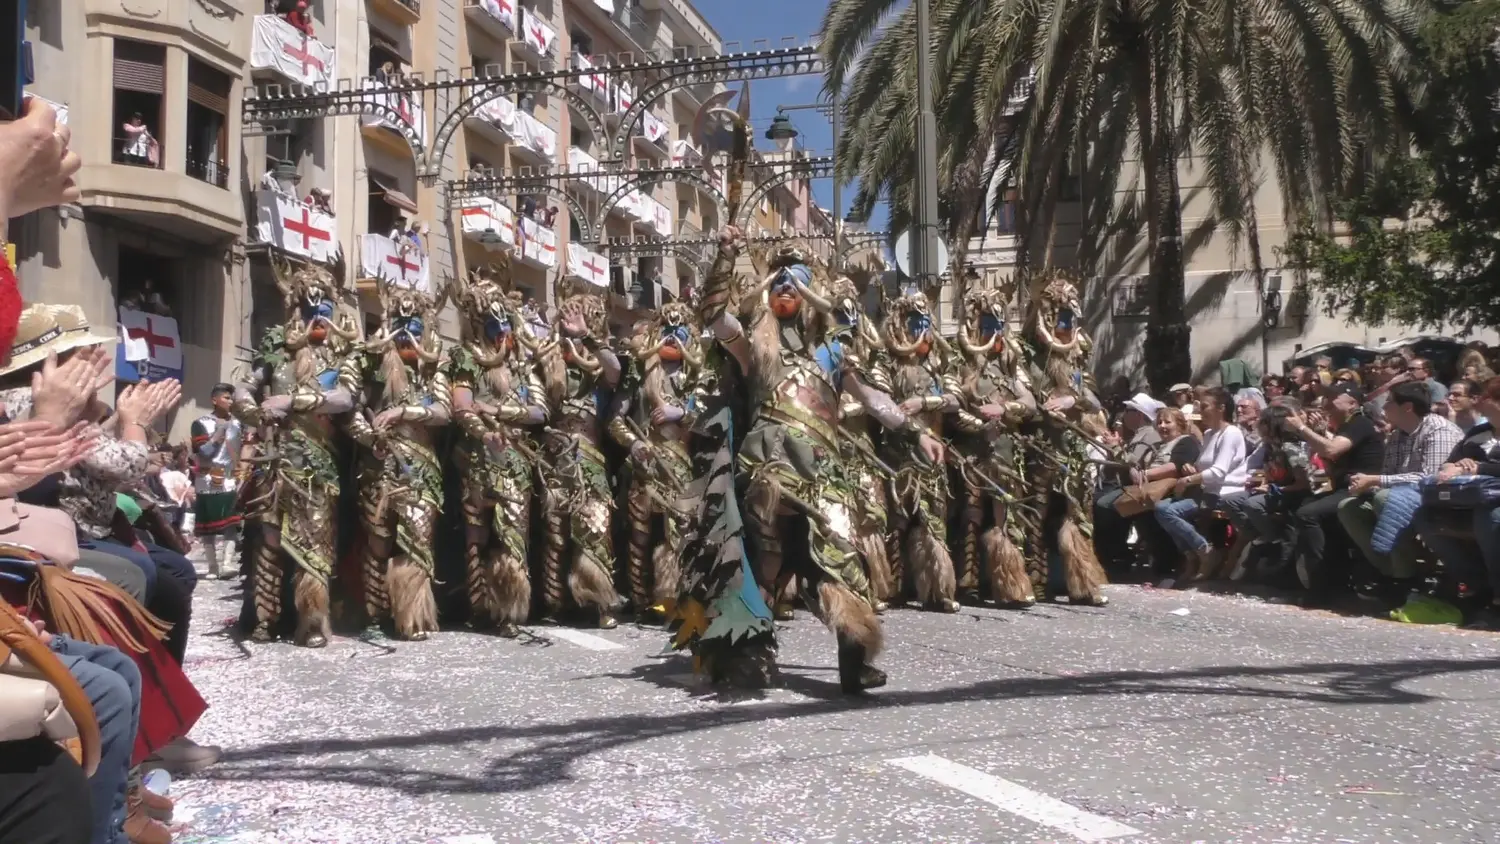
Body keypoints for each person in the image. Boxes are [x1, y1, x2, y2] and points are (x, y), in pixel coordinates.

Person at [348, 281, 453, 641]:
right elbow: (350, 409)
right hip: (377, 467)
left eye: (415, 326)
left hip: (421, 470)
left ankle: (412, 616)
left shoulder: (434, 368)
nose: (408, 334)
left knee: (417, 541)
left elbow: (443, 410)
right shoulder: (369, 361)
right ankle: (374, 615)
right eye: (401, 324)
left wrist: (402, 412)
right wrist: (368, 436)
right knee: (377, 543)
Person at [448, 268, 549, 637]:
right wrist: (484, 432)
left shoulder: (520, 364)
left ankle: (509, 609)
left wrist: (497, 412)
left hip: (516, 462)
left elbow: (540, 410)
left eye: (504, 318)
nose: (501, 326)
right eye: (493, 320)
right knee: (475, 536)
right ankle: (479, 606)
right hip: (475, 461)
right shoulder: (465, 358)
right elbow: (461, 406)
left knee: (512, 533)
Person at [1337, 380, 1462, 597]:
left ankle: (1406, 579)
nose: (1384, 408)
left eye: (1389, 403)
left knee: (1386, 499)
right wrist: (1364, 484)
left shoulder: (1439, 430)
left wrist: (1375, 481)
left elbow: (1429, 478)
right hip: (1403, 493)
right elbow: (1389, 473)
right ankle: (1389, 572)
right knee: (1349, 508)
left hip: (1438, 497)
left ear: (1407, 407)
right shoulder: (1397, 435)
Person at [1285, 381, 1385, 606]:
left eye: (1333, 398)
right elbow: (1331, 463)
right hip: (1344, 487)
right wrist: (1318, 433)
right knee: (1309, 506)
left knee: (1308, 514)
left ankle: (1321, 585)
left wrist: (1302, 428)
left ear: (1352, 403)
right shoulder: (1345, 427)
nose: (1326, 403)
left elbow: (1332, 449)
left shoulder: (1359, 423)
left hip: (1364, 488)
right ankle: (1330, 581)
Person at [1152, 387, 1248, 583]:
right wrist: (1191, 470)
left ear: (1221, 408)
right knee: (1160, 507)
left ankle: (1204, 551)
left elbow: (1218, 471)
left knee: (1168, 512)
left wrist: (1188, 480)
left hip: (1223, 493)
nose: (1201, 411)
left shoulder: (1231, 433)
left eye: (1205, 406)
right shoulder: (1211, 434)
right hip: (1206, 491)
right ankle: (1193, 554)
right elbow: (1204, 466)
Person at [190, 383, 243, 579]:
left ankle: (227, 563)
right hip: (208, 478)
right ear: (215, 400)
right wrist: (219, 433)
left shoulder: (238, 424)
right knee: (208, 526)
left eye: (232, 398)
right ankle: (213, 567)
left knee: (231, 522)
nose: (230, 401)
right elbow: (203, 451)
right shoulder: (201, 423)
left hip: (230, 478)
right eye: (226, 398)